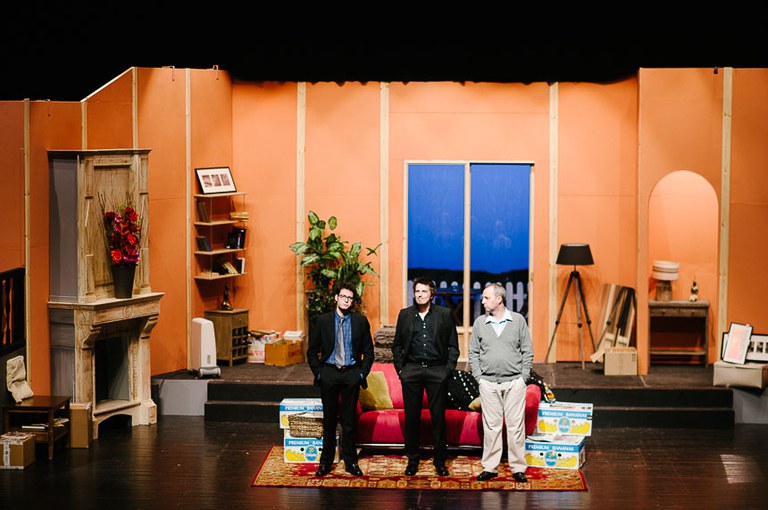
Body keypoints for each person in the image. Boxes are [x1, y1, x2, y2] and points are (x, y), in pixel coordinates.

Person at [392, 277, 460, 476]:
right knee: (412, 418)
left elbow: (453, 346)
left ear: (432, 294)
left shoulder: (444, 314)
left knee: (438, 418)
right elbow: (397, 346)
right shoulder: (405, 315)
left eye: (424, 291)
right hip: (412, 371)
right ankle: (412, 460)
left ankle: (440, 461)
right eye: (417, 291)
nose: (420, 295)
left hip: (436, 371)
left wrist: (446, 370)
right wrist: (401, 370)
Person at [307, 281, 374, 477]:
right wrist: (319, 374)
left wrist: (360, 374)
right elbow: (312, 351)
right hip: (329, 373)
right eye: (343, 296)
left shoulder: (360, 322)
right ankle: (325, 463)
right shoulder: (323, 321)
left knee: (349, 421)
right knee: (329, 421)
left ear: (352, 302)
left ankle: (351, 462)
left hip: (351, 374)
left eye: (350, 298)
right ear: (336, 298)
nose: (346, 300)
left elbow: (369, 352)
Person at [468, 282, 533, 483]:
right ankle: (490, 467)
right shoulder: (480, 323)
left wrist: (523, 378)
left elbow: (527, 351)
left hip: (514, 382)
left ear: (499, 299)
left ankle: (518, 468)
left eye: (486, 298)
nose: (483, 301)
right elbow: (473, 352)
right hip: (488, 383)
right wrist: (479, 378)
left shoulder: (518, 320)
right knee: (491, 427)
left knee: (516, 427)